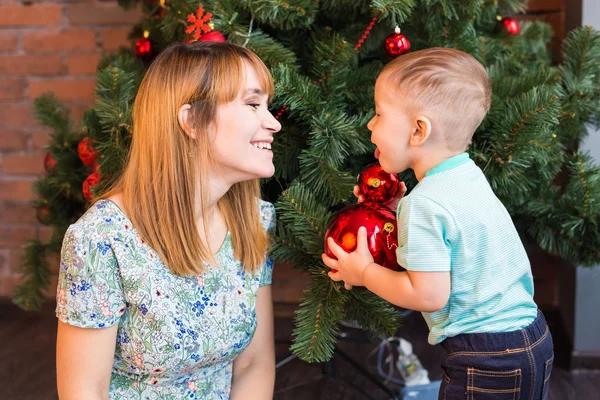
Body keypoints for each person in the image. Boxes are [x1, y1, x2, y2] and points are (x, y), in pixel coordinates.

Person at [322, 47, 554, 399]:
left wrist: (364, 272)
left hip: (488, 357)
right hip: (531, 336)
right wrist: (396, 207)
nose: (370, 124)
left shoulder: (425, 204)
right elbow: (454, 236)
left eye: (379, 115)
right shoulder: (466, 175)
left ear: (418, 130)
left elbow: (428, 294)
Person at [55, 41, 282, 399]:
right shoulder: (101, 239)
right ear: (192, 121)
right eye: (253, 105)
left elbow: (255, 364)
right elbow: (84, 390)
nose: (273, 123)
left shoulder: (254, 220)